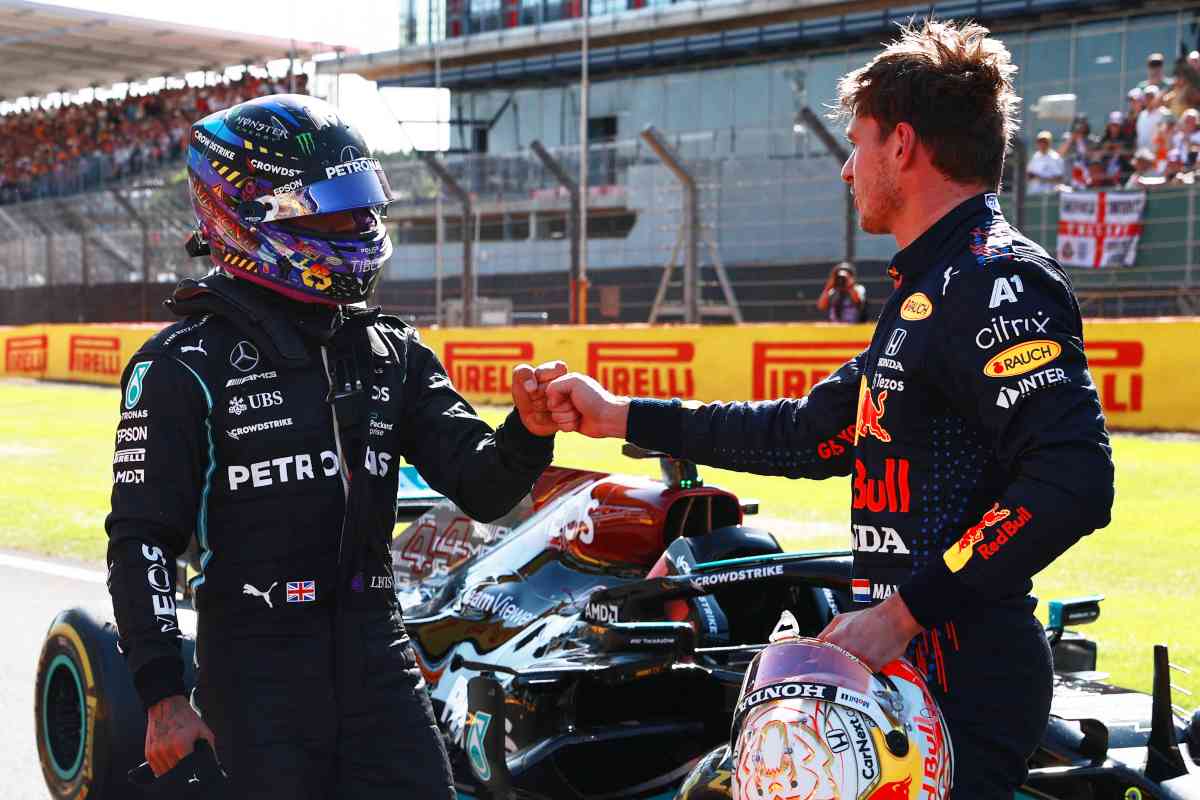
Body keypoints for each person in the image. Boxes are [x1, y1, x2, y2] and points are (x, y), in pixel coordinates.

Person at [543, 19, 1114, 799]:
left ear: (903, 146)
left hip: (961, 675)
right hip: (906, 668)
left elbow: (1073, 479)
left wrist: (905, 612)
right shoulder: (930, 292)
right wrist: (620, 417)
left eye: (858, 143)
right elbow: (806, 435)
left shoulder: (993, 279)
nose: (847, 169)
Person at [105, 94, 565, 798]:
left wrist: (529, 429)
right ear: (246, 212)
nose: (360, 225)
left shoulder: (392, 350)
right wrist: (164, 695)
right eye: (333, 208)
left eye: (362, 204)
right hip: (254, 674)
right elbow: (141, 541)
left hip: (379, 658)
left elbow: (488, 487)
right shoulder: (180, 364)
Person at [1137, 84, 1165, 150]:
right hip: (1143, 154)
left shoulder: (1163, 114)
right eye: (1146, 97)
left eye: (1151, 97)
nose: (1148, 99)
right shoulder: (1142, 115)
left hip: (1158, 154)